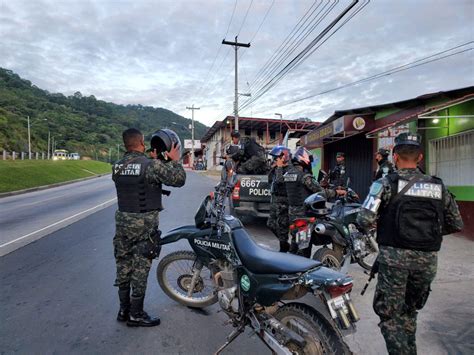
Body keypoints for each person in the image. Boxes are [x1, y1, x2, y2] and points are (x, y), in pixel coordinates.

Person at [357, 133, 463, 354]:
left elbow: (363, 219)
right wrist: (426, 235)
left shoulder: (385, 184)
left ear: (395, 157)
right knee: (409, 312)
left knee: (390, 317)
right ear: (420, 157)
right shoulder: (438, 186)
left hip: (394, 261)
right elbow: (456, 223)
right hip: (426, 262)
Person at [112, 128, 186, 327]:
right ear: (141, 142)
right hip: (143, 226)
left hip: (122, 225)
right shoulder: (150, 165)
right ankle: (136, 314)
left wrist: (156, 161)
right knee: (140, 268)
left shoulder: (117, 166)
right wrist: (175, 159)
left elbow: (138, 178)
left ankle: (123, 310)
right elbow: (178, 180)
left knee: (123, 266)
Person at [284, 147, 346, 257]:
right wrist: (336, 192)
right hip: (304, 213)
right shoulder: (304, 176)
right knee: (304, 246)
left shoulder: (287, 175)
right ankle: (304, 267)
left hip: (292, 213)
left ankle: (290, 263)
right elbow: (321, 192)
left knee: (295, 241)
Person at [267, 145, 292, 252]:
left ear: (283, 157)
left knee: (283, 227)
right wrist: (273, 168)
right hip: (276, 199)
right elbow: (270, 180)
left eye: (276, 158)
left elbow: (280, 181)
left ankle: (283, 249)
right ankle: (285, 243)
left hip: (284, 201)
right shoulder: (277, 168)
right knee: (270, 223)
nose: (274, 160)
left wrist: (280, 167)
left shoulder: (290, 169)